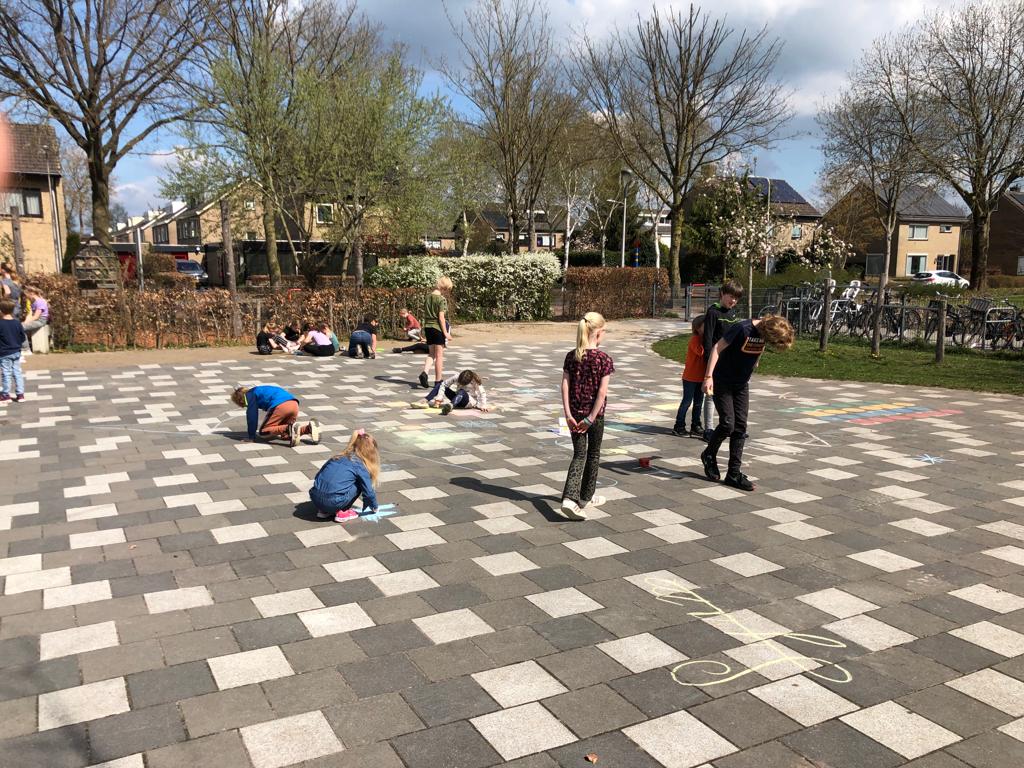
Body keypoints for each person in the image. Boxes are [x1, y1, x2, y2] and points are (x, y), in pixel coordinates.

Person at [701, 314, 795, 491]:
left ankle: (733, 474)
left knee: (740, 427)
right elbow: (716, 348)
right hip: (722, 380)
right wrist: (708, 377)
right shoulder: (742, 328)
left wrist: (756, 361)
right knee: (728, 424)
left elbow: (760, 347)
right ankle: (709, 454)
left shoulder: (764, 333)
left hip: (741, 383)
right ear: (767, 331)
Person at [559, 312, 614, 521]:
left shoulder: (572, 356)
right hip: (594, 416)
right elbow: (602, 392)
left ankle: (580, 497)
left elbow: (565, 385)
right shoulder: (603, 359)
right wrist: (592, 417)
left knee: (579, 454)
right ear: (598, 333)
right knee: (593, 455)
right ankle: (575, 498)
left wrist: (568, 413)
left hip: (574, 414)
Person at [701, 280, 742, 441]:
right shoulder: (713, 312)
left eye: (736, 299)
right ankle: (708, 428)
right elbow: (708, 338)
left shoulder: (733, 313)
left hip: (731, 361)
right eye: (730, 297)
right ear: (722, 294)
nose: (733, 301)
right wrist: (708, 363)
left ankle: (730, 426)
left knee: (729, 394)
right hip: (715, 360)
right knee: (711, 395)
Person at [309, 430, 381, 522]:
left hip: (315, 498)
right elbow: (368, 492)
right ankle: (342, 512)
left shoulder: (336, 457)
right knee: (360, 484)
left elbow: (319, 476)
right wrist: (374, 506)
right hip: (334, 502)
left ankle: (324, 511)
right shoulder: (359, 464)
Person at [231, 384, 321, 446]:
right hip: (294, 404)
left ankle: (290, 427)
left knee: (263, 431)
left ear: (241, 400)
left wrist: (251, 437)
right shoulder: (259, 389)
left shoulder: (250, 395)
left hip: (280, 405)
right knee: (285, 435)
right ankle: (308, 429)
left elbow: (252, 416)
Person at [672, 314, 705, 437]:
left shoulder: (703, 339)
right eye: (705, 326)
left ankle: (696, 425)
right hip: (690, 377)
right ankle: (678, 426)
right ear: (697, 328)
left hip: (701, 378)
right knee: (687, 402)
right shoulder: (695, 340)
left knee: (698, 402)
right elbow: (701, 352)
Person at [421, 276, 453, 388]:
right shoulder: (441, 299)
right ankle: (438, 381)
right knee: (439, 356)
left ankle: (424, 372)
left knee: (431, 353)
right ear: (444, 288)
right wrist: (446, 333)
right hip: (437, 328)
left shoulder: (427, 297)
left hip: (428, 327)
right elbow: (441, 317)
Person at [424, 369, 489, 414]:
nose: (461, 384)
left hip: (468, 402)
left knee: (462, 391)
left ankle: (450, 405)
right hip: (457, 398)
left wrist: (483, 405)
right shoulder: (457, 376)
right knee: (439, 384)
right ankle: (425, 400)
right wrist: (440, 397)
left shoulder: (475, 380)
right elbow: (444, 384)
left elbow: (482, 393)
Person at [0, 299, 26, 403]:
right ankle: (20, 394)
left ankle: (6, 394)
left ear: (1, 311)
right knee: (17, 372)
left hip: (4, 353)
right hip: (16, 351)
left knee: (6, 373)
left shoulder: (0, 324)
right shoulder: (17, 323)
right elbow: (22, 337)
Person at [21, 285, 49, 351]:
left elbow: (36, 316)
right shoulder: (33, 302)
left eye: (26, 295)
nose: (26, 297)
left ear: (32, 293)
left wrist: (24, 324)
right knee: (19, 326)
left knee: (20, 328)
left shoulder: (40, 301)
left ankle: (25, 349)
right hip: (36, 320)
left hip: (41, 320)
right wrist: (25, 322)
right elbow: (30, 314)